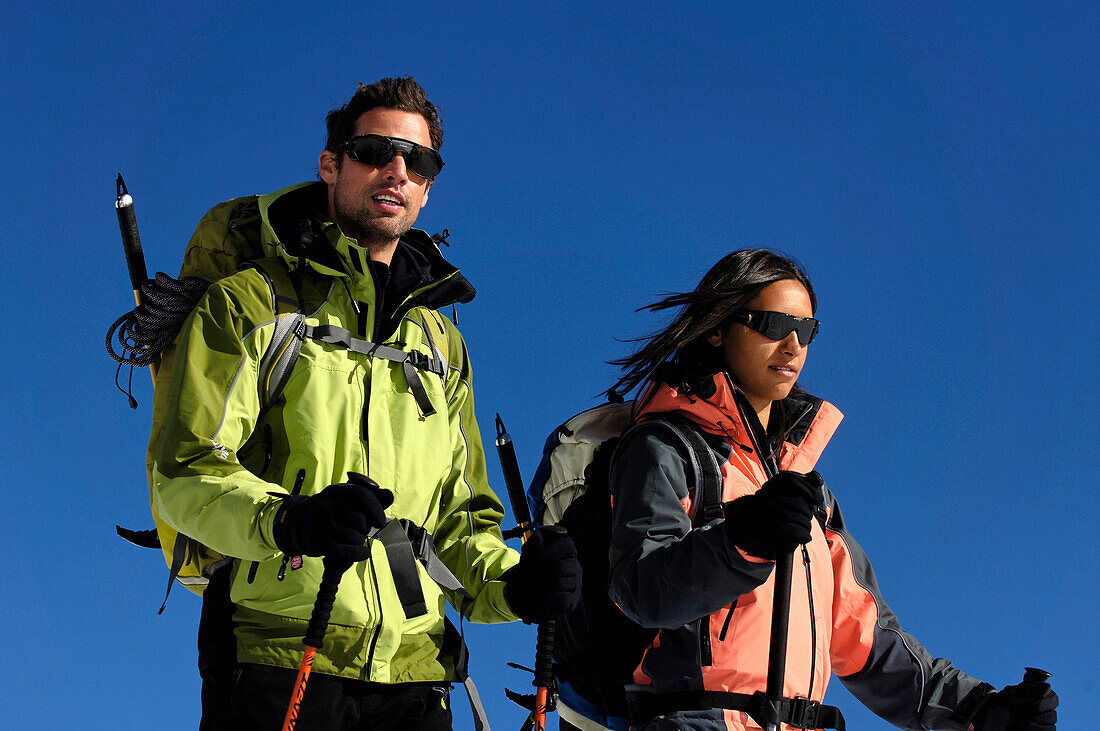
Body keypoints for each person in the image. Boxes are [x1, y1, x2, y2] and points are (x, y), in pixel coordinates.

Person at [149, 77, 580, 730]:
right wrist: (293, 520)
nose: (397, 171)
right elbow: (185, 472)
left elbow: (458, 531)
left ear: (430, 184)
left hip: (415, 675)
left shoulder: (441, 344)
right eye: (376, 150)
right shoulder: (249, 304)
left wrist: (514, 586)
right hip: (275, 653)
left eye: (418, 161)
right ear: (331, 164)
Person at [601, 250, 1057, 730]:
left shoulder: (805, 492)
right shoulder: (667, 448)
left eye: (807, 330)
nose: (793, 345)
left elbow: (864, 640)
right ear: (718, 330)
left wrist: (979, 710)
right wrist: (741, 542)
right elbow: (640, 589)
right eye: (774, 324)